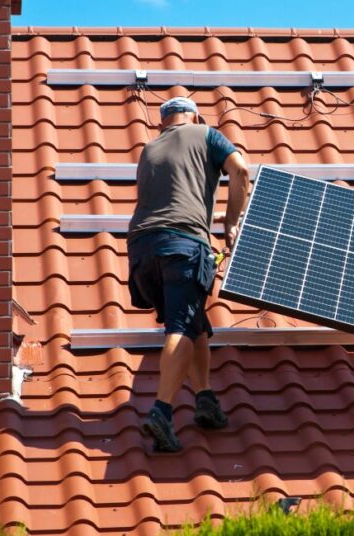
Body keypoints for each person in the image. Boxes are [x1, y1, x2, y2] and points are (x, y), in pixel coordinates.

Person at [128, 96, 250, 452]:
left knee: (194, 319)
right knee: (180, 326)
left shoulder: (150, 148)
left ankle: (205, 399)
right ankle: (162, 412)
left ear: (163, 123)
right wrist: (230, 224)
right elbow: (241, 170)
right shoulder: (207, 134)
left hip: (140, 250)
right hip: (182, 243)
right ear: (195, 116)